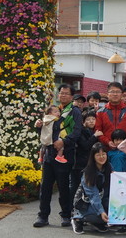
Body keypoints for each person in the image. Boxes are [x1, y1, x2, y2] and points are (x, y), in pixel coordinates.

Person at [34, 84, 83, 228]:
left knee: (63, 187)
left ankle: (66, 216)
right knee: (45, 187)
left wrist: (64, 141)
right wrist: (38, 126)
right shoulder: (53, 110)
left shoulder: (75, 112)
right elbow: (46, 131)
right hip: (49, 153)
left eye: (66, 93)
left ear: (72, 96)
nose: (63, 96)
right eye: (61, 93)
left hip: (65, 154)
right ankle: (43, 216)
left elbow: (77, 131)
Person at [71, 142, 111, 234]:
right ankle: (77, 219)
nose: (101, 157)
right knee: (101, 215)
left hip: (103, 199)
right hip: (86, 202)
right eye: (98, 155)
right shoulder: (88, 173)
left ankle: (96, 222)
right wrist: (101, 211)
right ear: (93, 157)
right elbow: (93, 196)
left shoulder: (109, 168)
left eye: (103, 154)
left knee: (110, 215)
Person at [95, 82, 126, 150]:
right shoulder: (100, 112)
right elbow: (98, 131)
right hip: (106, 150)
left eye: (118, 92)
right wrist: (108, 142)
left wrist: (125, 142)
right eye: (112, 92)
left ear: (121, 94)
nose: (115, 94)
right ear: (108, 94)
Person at [71, 110, 102, 200]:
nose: (92, 121)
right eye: (88, 119)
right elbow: (85, 146)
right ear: (83, 122)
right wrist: (94, 137)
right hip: (80, 164)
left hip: (90, 164)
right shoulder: (80, 131)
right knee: (77, 187)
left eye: (93, 119)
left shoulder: (94, 131)